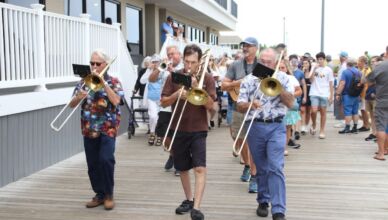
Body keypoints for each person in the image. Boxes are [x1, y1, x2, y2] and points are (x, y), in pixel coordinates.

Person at [237, 48, 294, 220]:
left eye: (269, 62)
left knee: (276, 167)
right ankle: (263, 200)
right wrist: (249, 104)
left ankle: (278, 210)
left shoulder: (284, 78)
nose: (265, 64)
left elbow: (291, 103)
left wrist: (278, 88)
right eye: (262, 61)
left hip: (276, 126)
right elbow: (239, 104)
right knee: (261, 168)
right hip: (255, 126)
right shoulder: (249, 79)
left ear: (276, 63)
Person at [161, 44, 216, 220]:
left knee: (200, 168)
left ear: (200, 62)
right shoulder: (174, 76)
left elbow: (213, 108)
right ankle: (189, 199)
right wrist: (178, 94)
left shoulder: (207, 78)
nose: (189, 66)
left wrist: (199, 91)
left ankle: (197, 208)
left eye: (193, 62)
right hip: (179, 127)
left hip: (199, 128)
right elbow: (163, 102)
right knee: (183, 168)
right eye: (187, 61)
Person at [69, 49, 124, 210]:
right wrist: (78, 97)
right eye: (91, 63)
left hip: (108, 127)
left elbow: (117, 101)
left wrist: (103, 83)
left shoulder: (114, 81)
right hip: (89, 127)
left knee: (106, 160)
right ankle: (99, 194)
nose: (93, 66)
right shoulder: (83, 81)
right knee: (92, 163)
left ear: (105, 65)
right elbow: (71, 104)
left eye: (97, 64)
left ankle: (108, 194)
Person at [221, 37, 258, 193]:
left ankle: (255, 175)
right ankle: (248, 166)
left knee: (255, 141)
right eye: (244, 46)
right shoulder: (235, 65)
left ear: (256, 48)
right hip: (238, 105)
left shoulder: (262, 65)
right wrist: (239, 82)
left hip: (256, 108)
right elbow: (223, 85)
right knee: (239, 138)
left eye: (249, 46)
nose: (246, 48)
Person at [157, 45, 184, 175]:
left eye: (173, 54)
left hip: (179, 106)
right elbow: (150, 79)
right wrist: (159, 69)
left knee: (178, 136)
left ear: (179, 55)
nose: (170, 56)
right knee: (164, 136)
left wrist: (172, 71)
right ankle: (173, 155)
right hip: (165, 105)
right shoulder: (163, 68)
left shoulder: (184, 69)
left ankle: (179, 162)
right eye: (169, 54)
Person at [140, 54, 169, 145]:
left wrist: (164, 68)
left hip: (161, 98)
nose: (155, 64)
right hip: (151, 98)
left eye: (157, 62)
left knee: (160, 118)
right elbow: (142, 81)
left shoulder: (164, 71)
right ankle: (153, 133)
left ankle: (159, 135)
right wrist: (149, 70)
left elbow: (168, 79)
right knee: (153, 116)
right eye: (153, 62)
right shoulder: (149, 71)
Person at [308, 52, 334, 139]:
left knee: (323, 112)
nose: (319, 61)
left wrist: (331, 95)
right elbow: (310, 79)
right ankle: (314, 124)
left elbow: (331, 83)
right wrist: (313, 68)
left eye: (321, 59)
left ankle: (322, 130)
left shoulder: (328, 70)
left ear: (324, 60)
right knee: (314, 111)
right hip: (314, 92)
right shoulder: (314, 68)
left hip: (324, 93)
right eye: (318, 59)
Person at [367, 60, 388, 161]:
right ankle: (386, 149)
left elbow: (367, 80)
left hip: (382, 102)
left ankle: (381, 153)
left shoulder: (381, 66)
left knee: (381, 127)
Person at [335, 58, 362, 134]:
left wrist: (338, 93)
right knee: (355, 111)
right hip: (356, 94)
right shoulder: (359, 72)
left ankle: (347, 128)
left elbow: (342, 83)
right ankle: (355, 127)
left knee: (348, 111)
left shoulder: (345, 72)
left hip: (347, 94)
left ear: (347, 64)